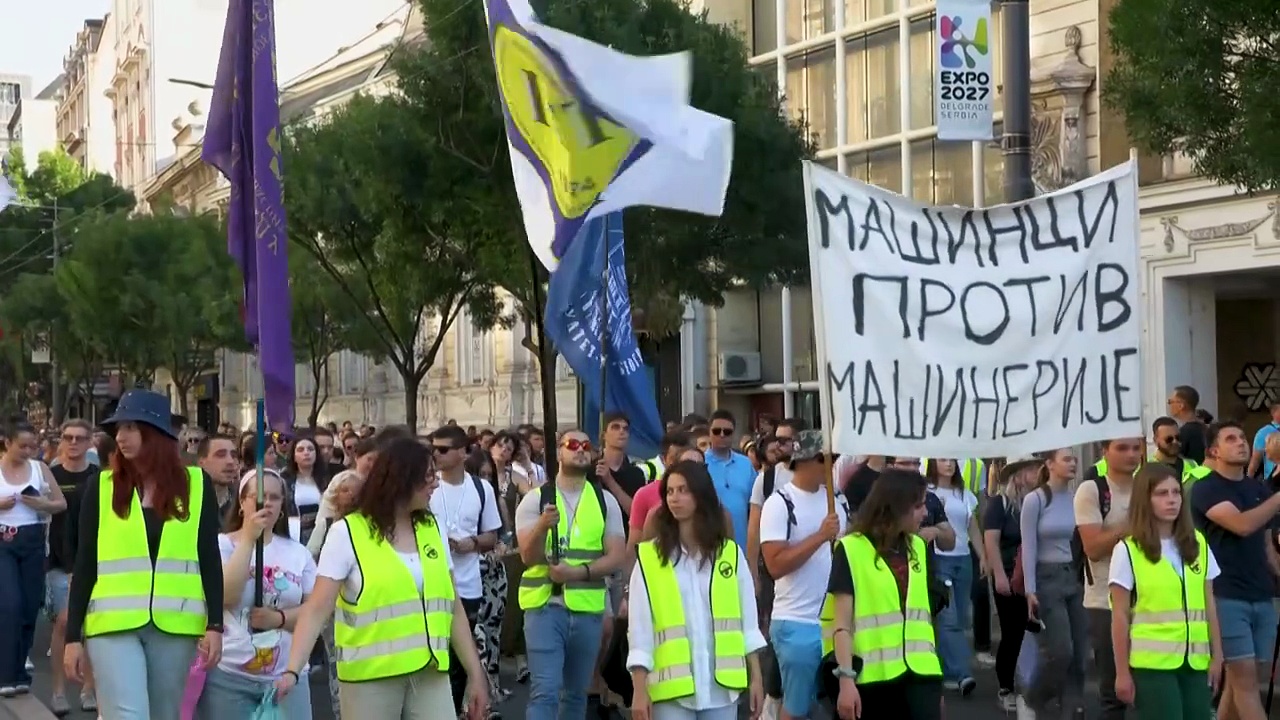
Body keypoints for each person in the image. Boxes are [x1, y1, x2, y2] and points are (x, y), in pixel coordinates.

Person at [275, 438, 489, 719]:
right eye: (428, 476)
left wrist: (475, 673)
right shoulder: (347, 533)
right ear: (401, 479)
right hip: (370, 678)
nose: (436, 483)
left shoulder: (432, 528)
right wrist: (292, 670)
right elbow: (317, 610)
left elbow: (453, 607)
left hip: (430, 672)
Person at [62, 389, 225, 717]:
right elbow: (86, 563)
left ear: (156, 434)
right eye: (118, 428)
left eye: (131, 427)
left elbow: (209, 556)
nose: (121, 437)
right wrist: (72, 636)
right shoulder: (101, 486)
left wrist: (216, 625)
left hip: (176, 624)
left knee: (165, 714)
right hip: (112, 625)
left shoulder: (196, 484)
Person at [627, 461, 767, 720]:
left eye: (683, 490)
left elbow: (748, 623)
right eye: (670, 491)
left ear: (701, 495)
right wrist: (638, 690)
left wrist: (756, 677)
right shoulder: (649, 559)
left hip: (721, 690)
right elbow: (639, 631)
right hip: (670, 694)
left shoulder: (731, 555)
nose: (674, 498)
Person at [515, 429, 627, 720]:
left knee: (576, 694)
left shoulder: (604, 501)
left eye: (586, 445)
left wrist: (576, 573)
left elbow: (616, 555)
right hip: (544, 607)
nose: (580, 449)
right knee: (546, 691)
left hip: (588, 610)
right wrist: (542, 526)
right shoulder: (535, 500)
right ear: (559, 452)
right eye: (573, 444)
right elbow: (528, 556)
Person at [198, 468, 316, 719]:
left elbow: (315, 611)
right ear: (242, 502)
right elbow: (224, 596)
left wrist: (279, 619)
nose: (267, 503)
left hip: (286, 678)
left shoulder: (299, 554)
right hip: (229, 676)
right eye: (259, 497)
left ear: (282, 506)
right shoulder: (221, 545)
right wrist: (249, 540)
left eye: (274, 497)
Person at [1110, 462, 1223, 720]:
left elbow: (1209, 604)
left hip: (1196, 662)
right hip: (1152, 666)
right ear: (1144, 499)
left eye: (1176, 493)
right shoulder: (1128, 550)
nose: (1172, 500)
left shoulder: (1197, 542)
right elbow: (1119, 616)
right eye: (1162, 493)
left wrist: (1217, 656)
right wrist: (1122, 673)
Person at [829, 468, 943, 719]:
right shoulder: (850, 549)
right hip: (873, 680)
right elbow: (841, 626)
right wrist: (845, 680)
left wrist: (937, 682)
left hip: (922, 676)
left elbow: (925, 619)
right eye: (919, 506)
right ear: (896, 506)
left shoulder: (919, 547)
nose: (925, 513)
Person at [1190, 421, 1280, 720]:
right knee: (1245, 683)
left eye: (1243, 437)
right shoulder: (1206, 488)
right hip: (1226, 595)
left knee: (1241, 681)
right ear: (1213, 451)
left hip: (1261, 593)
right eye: (1231, 439)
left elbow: (1265, 545)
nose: (1241, 442)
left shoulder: (1258, 489)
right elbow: (1242, 525)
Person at [759, 431, 849, 720]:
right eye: (825, 459)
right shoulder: (779, 503)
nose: (831, 465)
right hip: (797, 622)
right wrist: (820, 536)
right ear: (806, 460)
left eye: (834, 458)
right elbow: (775, 565)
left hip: (835, 624)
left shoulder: (838, 500)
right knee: (796, 708)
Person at [429, 424, 503, 717]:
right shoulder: (427, 486)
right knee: (433, 658)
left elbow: (492, 536)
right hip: (432, 585)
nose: (436, 454)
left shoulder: (481, 489)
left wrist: (471, 543)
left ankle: (451, 711)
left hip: (469, 586)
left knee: (459, 663)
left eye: (443, 449)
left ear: (462, 452)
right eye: (433, 449)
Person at [1075, 437, 1143, 720]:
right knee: (1114, 692)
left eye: (1136, 448)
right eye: (1122, 448)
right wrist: (1133, 525)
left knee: (1148, 691)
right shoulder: (1092, 490)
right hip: (1105, 601)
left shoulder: (1148, 488)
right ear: (1105, 452)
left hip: (1149, 600)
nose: (1131, 454)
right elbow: (1092, 548)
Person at [0, 423, 66, 697]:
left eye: (32, 446)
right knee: (10, 605)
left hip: (33, 540)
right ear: (7, 443)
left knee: (29, 608)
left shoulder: (40, 469)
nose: (27, 451)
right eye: (22, 446)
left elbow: (61, 503)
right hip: (3, 541)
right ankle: (5, 674)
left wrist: (42, 504)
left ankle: (19, 673)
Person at [1022, 448, 1089, 718]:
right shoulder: (1035, 500)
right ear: (1050, 464)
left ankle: (1072, 709)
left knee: (1080, 655)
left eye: (1074, 459)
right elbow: (1029, 546)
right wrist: (1030, 589)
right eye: (1067, 459)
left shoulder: (1075, 498)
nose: (1073, 464)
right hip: (1046, 577)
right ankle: (1033, 697)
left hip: (1074, 575)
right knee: (1062, 652)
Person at [47, 419, 99, 714]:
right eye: (68, 437)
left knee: (91, 625)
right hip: (57, 560)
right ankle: (57, 691)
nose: (74, 443)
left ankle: (88, 687)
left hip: (92, 561)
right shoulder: (50, 475)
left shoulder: (98, 477)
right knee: (64, 622)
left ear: (90, 442)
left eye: (80, 438)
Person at [981, 455, 1037, 712]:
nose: (1037, 474)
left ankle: (1030, 685)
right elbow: (991, 541)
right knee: (1012, 633)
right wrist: (999, 575)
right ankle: (1006, 686)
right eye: (1032, 470)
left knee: (1032, 631)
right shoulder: (999, 504)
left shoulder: (1035, 501)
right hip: (1009, 575)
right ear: (1019, 475)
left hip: (1031, 577)